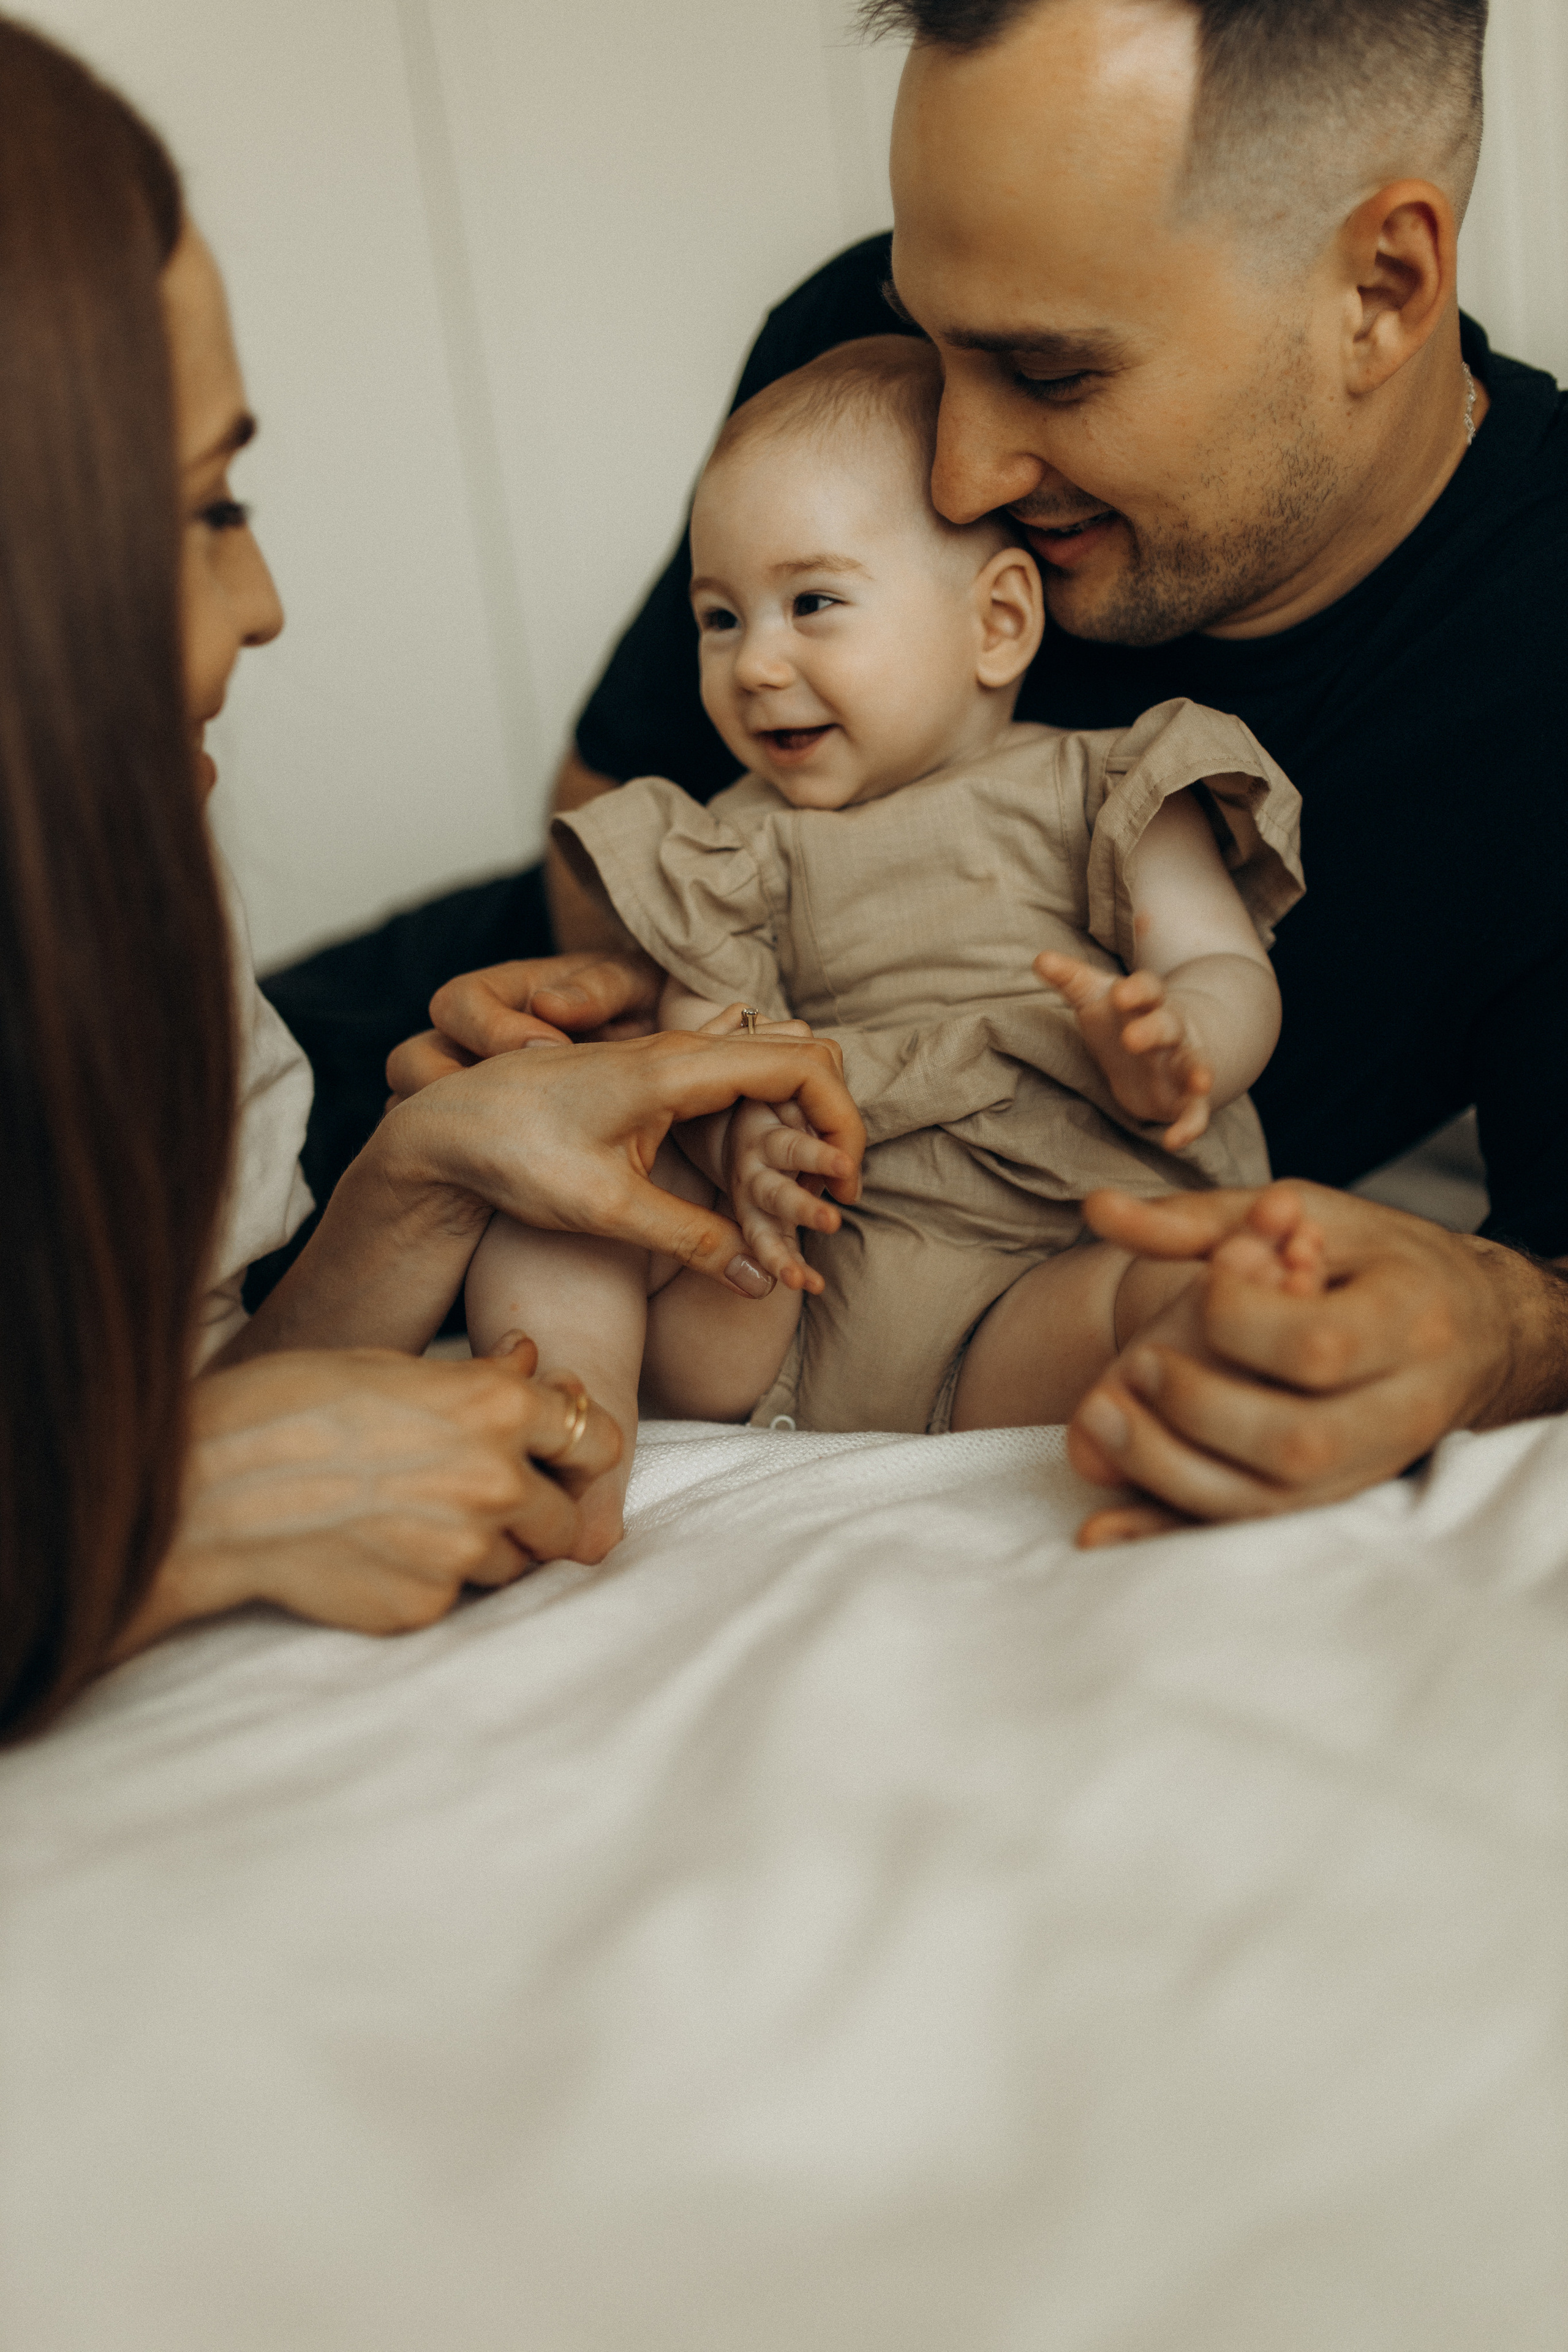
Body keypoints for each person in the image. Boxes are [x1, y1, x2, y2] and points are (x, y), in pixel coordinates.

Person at [353, 0, 1567, 1536]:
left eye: (1050, 375)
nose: (950, 472)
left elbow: (1546, 1286)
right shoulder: (847, 345)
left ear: (1379, 288)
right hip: (502, 1109)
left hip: (1007, 1272)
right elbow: (613, 813)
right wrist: (631, 1028)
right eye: (931, 348)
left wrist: (1477, 1325)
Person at [0, 18, 864, 1738]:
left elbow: (199, 1404)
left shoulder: (139, 885)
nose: (263, 608)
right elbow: (179, 1468)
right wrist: (164, 1524)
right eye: (200, 513)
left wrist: (420, 1180)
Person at [465, 336, 1319, 1555]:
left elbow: (1224, 970)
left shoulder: (1106, 787)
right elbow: (701, 1048)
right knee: (550, 1186)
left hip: (1040, 1260)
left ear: (997, 621)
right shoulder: (724, 846)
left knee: (1177, 1285)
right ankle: (566, 1426)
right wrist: (734, 1132)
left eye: (811, 603)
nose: (755, 665)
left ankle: (1216, 1398)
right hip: (788, 1292)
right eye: (718, 618)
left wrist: (1177, 1046)